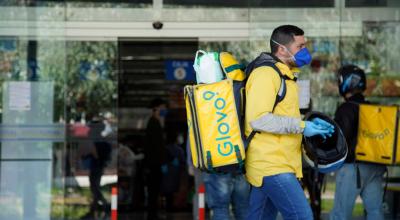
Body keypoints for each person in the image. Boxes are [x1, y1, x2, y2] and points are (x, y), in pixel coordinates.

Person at [244, 24, 334, 220]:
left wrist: (309, 126)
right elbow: (258, 119)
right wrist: (303, 127)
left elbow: (281, 117)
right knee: (302, 216)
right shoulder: (266, 74)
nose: (306, 51)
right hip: (272, 164)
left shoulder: (285, 76)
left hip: (278, 162)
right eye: (300, 47)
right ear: (281, 49)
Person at [330, 64, 386, 220]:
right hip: (375, 166)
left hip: (352, 168)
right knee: (375, 212)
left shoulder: (346, 108)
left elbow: (340, 139)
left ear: (347, 83)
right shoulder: (372, 107)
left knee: (340, 214)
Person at [144, 98, 169, 220]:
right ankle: (152, 215)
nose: (164, 110)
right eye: (162, 108)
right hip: (154, 164)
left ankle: (153, 214)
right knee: (153, 190)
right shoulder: (153, 123)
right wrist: (162, 162)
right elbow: (156, 146)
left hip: (156, 163)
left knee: (155, 190)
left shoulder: (157, 122)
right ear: (156, 109)